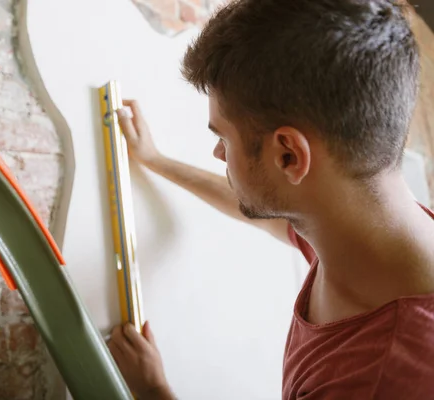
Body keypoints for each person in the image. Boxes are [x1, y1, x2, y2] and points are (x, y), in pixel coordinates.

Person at [106, 0, 434, 399]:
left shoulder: (381, 377)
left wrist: (153, 390)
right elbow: (267, 213)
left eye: (223, 138)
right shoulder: (368, 223)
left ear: (289, 155)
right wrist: (156, 161)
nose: (219, 154)